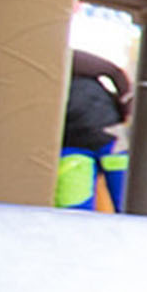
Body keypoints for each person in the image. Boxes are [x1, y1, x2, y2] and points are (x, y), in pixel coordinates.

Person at [56, 49, 131, 211]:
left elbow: (115, 72)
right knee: (74, 214)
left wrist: (127, 107)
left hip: (108, 136)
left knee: (130, 206)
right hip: (76, 143)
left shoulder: (67, 58)